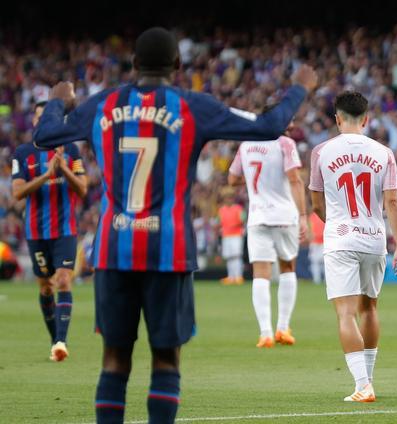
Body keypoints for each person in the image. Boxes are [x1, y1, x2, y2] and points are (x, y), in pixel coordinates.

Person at [33, 27, 317, 424]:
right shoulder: (192, 106)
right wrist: (299, 89)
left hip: (114, 249)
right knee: (166, 359)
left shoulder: (103, 103)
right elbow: (269, 127)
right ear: (179, 66)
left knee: (114, 360)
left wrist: (57, 102)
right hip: (169, 249)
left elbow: (45, 136)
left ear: (133, 64)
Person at [309, 91, 397, 403]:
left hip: (341, 237)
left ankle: (363, 385)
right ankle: (369, 379)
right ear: (366, 119)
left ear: (337, 118)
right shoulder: (384, 153)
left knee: (345, 313)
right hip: (374, 237)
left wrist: (336, 223)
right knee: (370, 308)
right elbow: (392, 201)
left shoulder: (321, 152)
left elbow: (316, 202)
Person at [12, 101, 87, 361]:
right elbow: (18, 192)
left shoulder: (72, 150)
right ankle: (55, 338)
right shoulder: (22, 153)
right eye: (41, 117)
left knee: (64, 279)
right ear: (35, 121)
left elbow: (83, 189)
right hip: (36, 231)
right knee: (45, 286)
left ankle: (60, 342)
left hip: (65, 229)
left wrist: (64, 168)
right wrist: (46, 176)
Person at [228, 115, 307, 348]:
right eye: (288, 122)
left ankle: (265, 333)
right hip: (284, 216)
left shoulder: (246, 145)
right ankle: (283, 328)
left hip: (258, 217)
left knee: (260, 274)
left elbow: (232, 179)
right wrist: (303, 216)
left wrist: (255, 181)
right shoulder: (284, 143)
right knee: (287, 268)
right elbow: (295, 180)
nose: (290, 127)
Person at [218, 187, 245, 285]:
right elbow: (219, 222)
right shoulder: (221, 210)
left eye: (230, 197)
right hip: (226, 236)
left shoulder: (238, 209)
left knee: (236, 256)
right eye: (226, 198)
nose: (228, 199)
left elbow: (242, 220)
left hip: (236, 235)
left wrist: (232, 226)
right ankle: (231, 277)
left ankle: (238, 276)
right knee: (229, 257)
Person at [308, 212, 325, 284]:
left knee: (325, 262)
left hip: (324, 242)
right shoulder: (312, 216)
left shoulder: (325, 214)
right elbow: (309, 229)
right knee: (314, 262)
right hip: (315, 242)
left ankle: (326, 279)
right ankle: (316, 279)